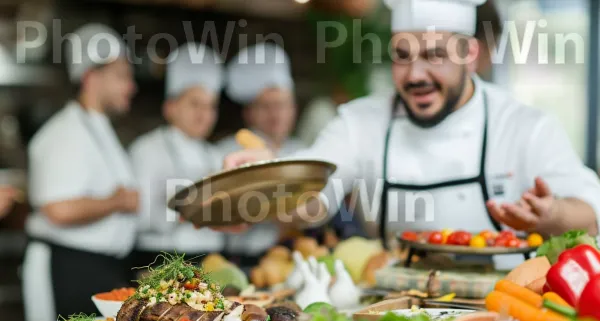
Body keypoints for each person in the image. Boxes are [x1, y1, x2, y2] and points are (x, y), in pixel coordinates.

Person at [221, 0, 600, 270]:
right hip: (392, 310)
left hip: (500, 310)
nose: (415, 74)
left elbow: (591, 215)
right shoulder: (360, 122)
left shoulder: (525, 126)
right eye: (402, 56)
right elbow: (314, 201)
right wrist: (271, 180)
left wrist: (552, 214)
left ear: (469, 53)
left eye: (434, 55)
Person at [22, 24, 139, 321]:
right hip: (66, 268)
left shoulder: (98, 129)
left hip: (99, 267)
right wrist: (117, 202)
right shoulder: (64, 132)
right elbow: (58, 209)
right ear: (90, 77)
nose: (131, 87)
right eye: (121, 76)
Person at [129, 43, 225, 267]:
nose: (204, 115)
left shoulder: (216, 155)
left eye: (211, 107)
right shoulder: (146, 150)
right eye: (195, 104)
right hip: (159, 260)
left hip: (212, 260)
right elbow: (138, 218)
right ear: (170, 107)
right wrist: (182, 205)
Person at [218, 42, 305, 266]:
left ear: (293, 108)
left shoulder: (303, 152)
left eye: (282, 105)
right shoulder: (229, 151)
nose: (275, 114)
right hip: (241, 260)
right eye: (266, 106)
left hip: (292, 259)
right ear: (249, 113)